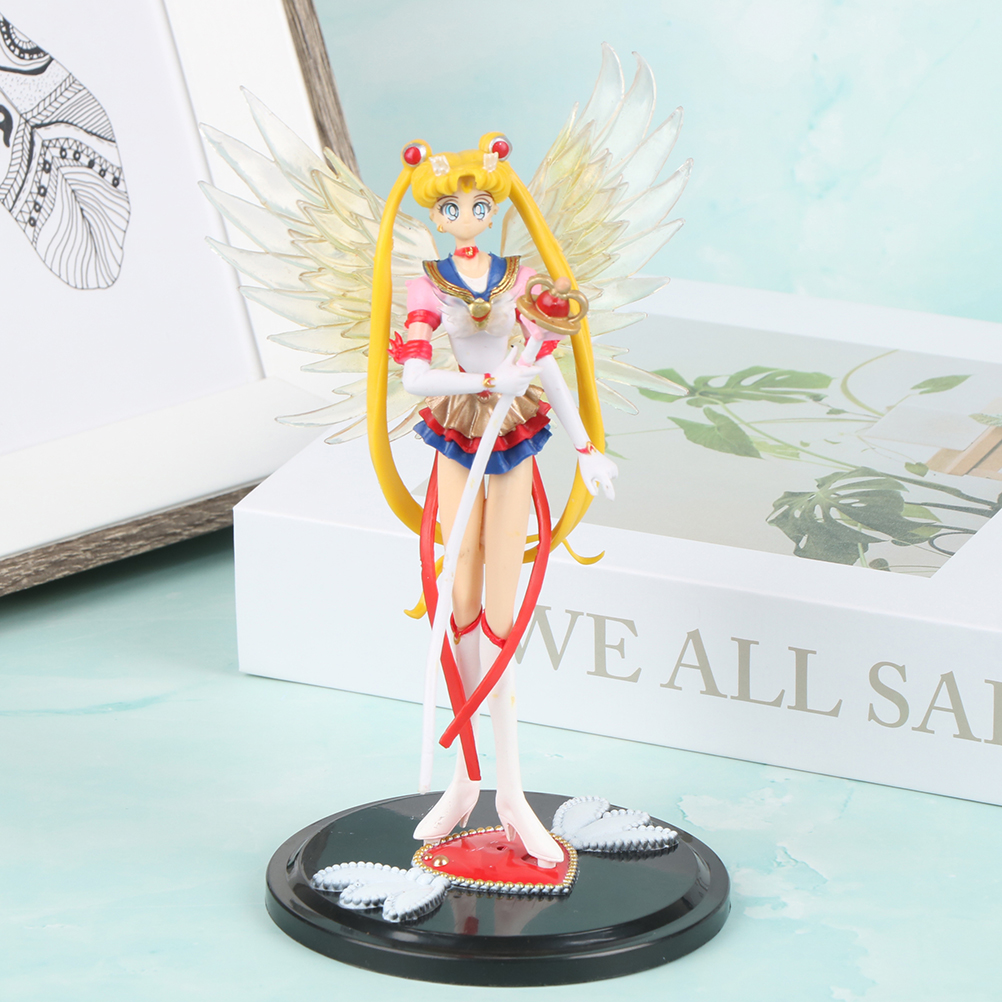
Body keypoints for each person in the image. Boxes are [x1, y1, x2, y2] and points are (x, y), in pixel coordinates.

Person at [370, 135, 617, 867]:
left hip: (513, 434)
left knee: (503, 607)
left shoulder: (521, 278)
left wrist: (586, 447)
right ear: (436, 215)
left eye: (479, 205)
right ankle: (464, 780)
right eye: (452, 208)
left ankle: (511, 792)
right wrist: (485, 383)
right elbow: (415, 379)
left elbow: (548, 363)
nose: (467, 218)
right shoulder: (426, 285)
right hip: (460, 432)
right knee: (460, 596)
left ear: (495, 206)